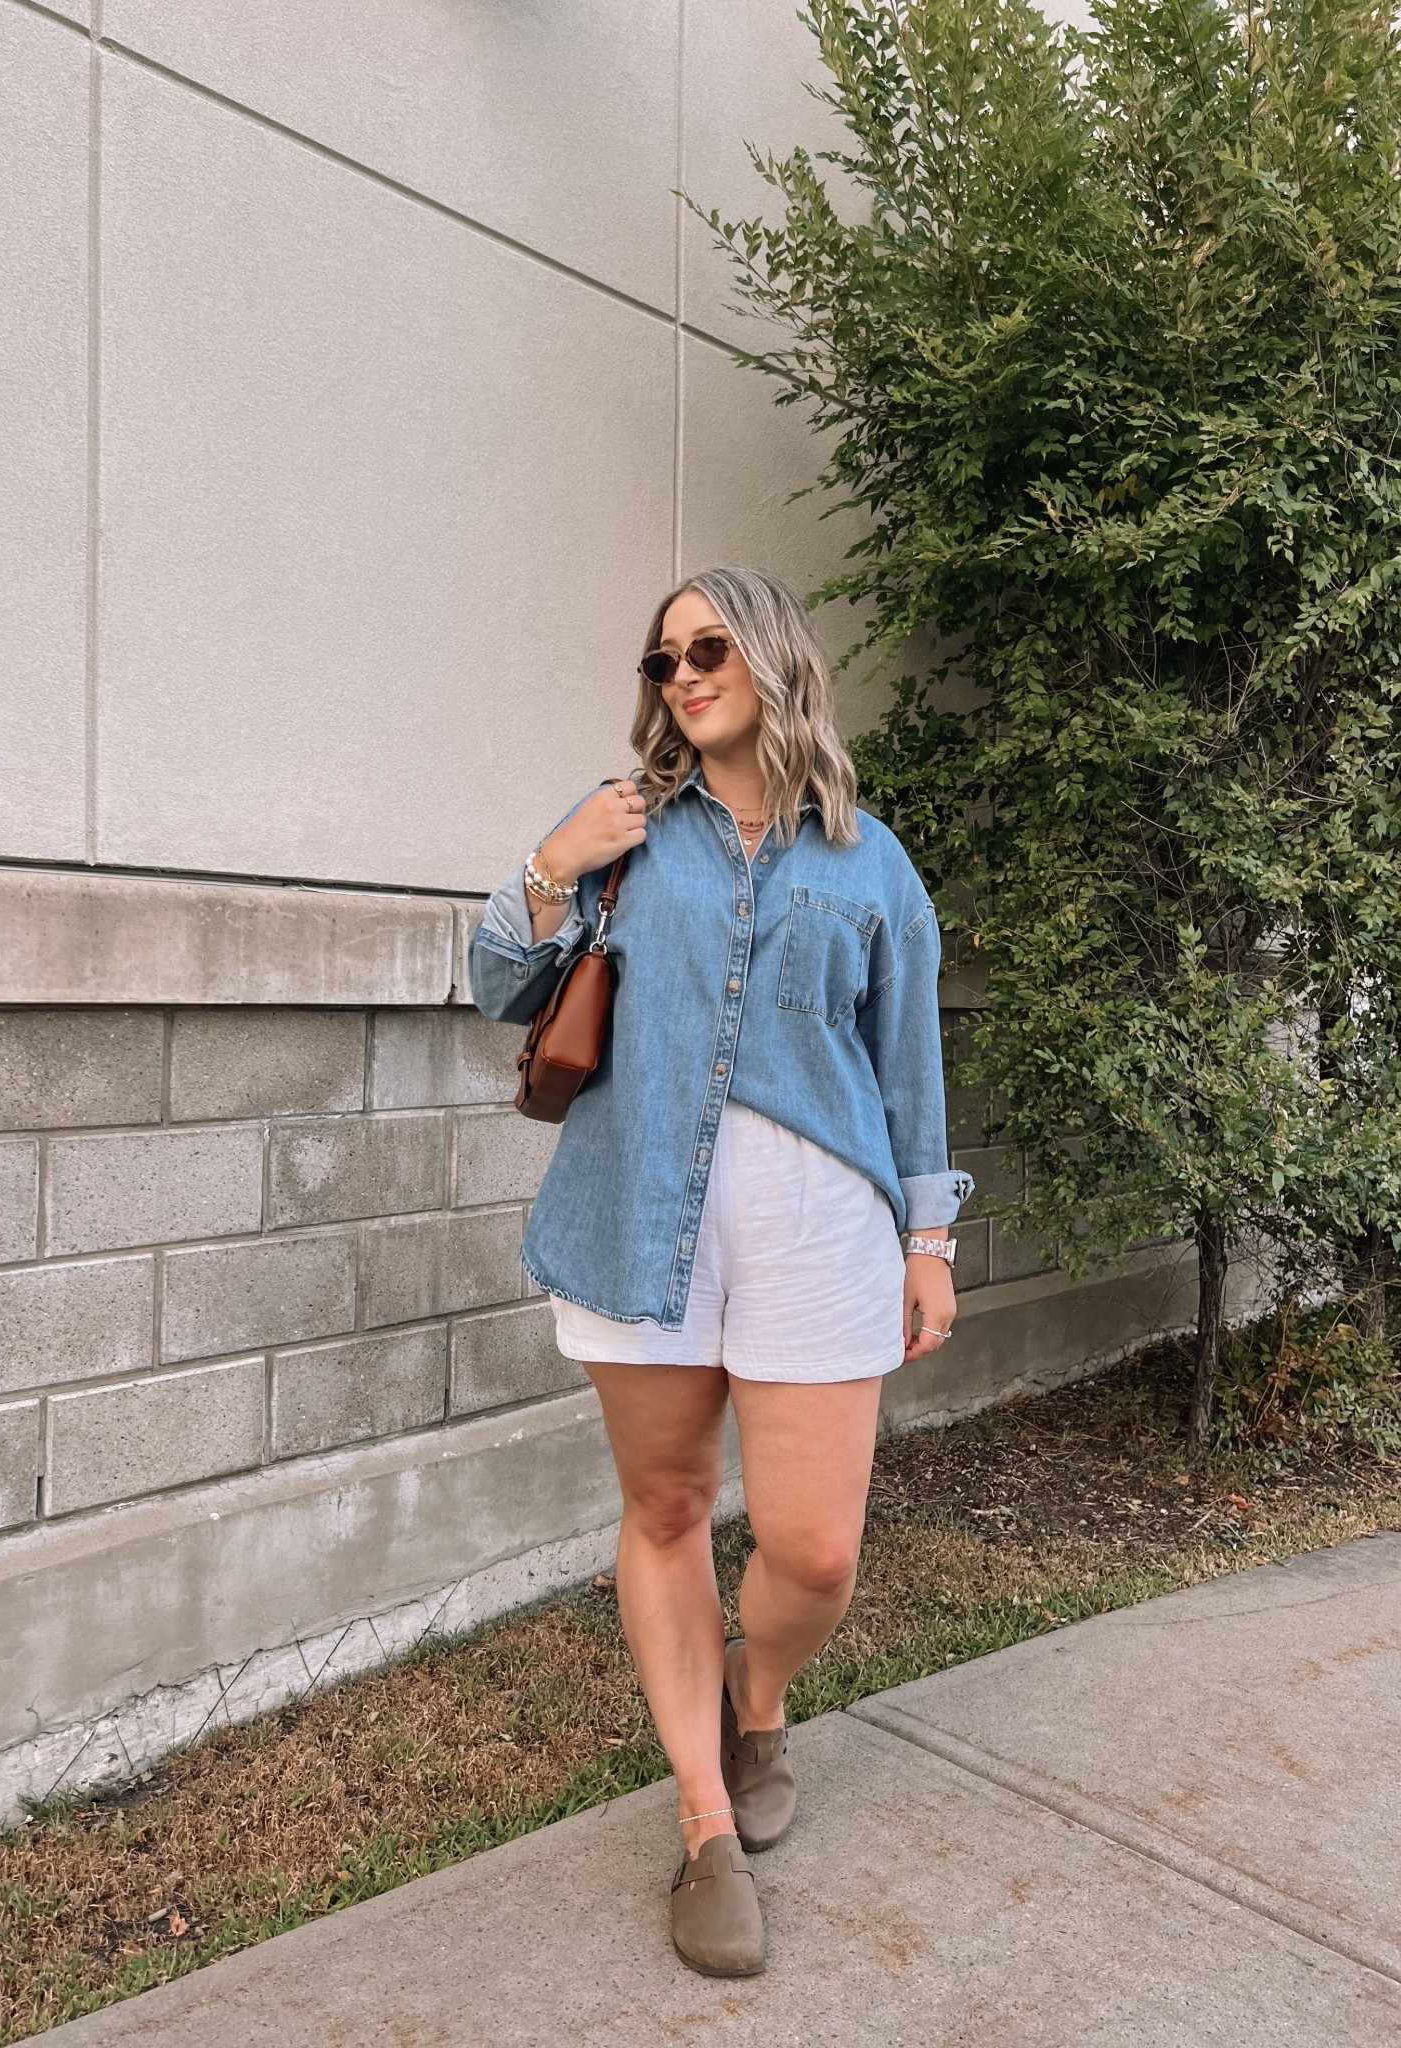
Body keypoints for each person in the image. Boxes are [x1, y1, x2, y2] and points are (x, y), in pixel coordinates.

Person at [468, 566, 972, 1977]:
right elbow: (498, 987)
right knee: (671, 1505)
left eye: (706, 648)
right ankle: (703, 1823)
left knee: (813, 1551)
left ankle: (757, 1696)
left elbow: (907, 1064)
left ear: (767, 655)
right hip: (643, 1219)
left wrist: (926, 1240)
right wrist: (548, 865)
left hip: (820, 1227)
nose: (681, 675)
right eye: (661, 659)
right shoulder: (625, 834)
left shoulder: (869, 858)